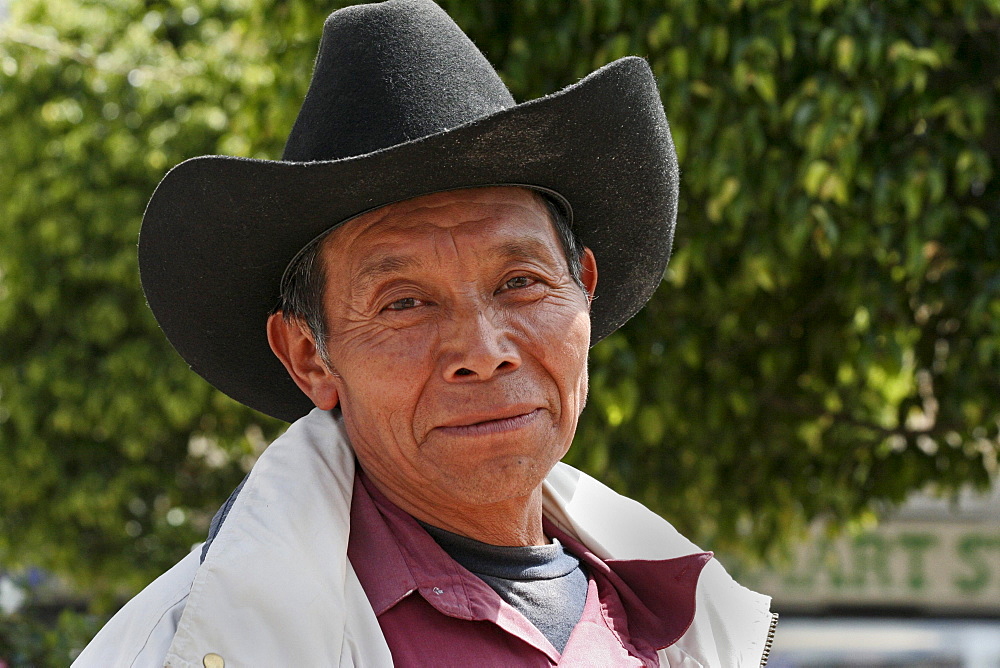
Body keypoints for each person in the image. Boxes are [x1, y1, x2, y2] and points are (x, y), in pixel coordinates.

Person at [75, 0, 777, 665]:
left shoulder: (683, 619)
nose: (482, 351)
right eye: (404, 302)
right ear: (308, 355)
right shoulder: (186, 647)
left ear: (583, 290)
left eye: (521, 283)